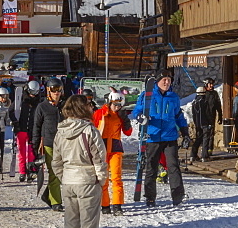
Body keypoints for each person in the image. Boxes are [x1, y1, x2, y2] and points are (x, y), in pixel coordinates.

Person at [52, 94, 109, 228]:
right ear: (82, 108)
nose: (92, 108)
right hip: (87, 181)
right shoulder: (89, 130)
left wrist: (64, 177)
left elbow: (56, 162)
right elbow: (99, 158)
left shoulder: (60, 131)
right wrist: (101, 180)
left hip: (68, 181)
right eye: (89, 105)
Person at [131, 71, 189, 208]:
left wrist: (185, 133)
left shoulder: (173, 97)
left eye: (169, 80)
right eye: (164, 80)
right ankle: (150, 197)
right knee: (151, 167)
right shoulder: (147, 95)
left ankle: (178, 196)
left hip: (170, 136)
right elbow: (136, 111)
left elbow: (179, 116)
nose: (167, 82)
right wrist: (141, 117)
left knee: (173, 166)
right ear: (157, 82)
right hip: (153, 136)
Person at [93, 91, 132, 216]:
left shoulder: (120, 115)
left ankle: (117, 205)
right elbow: (92, 128)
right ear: (109, 102)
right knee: (103, 178)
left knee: (116, 178)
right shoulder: (100, 113)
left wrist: (125, 120)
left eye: (120, 104)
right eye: (115, 104)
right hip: (102, 148)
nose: (117, 107)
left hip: (115, 149)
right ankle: (105, 205)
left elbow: (128, 132)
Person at [32, 78, 66, 211]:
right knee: (54, 173)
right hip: (49, 144)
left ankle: (47, 195)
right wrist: (34, 146)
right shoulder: (42, 107)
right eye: (53, 89)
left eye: (58, 89)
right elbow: (36, 126)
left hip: (64, 144)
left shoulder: (65, 106)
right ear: (48, 91)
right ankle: (56, 202)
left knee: (62, 173)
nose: (56, 92)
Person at [15, 80, 42, 182]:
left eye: (35, 93)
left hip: (32, 130)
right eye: (31, 92)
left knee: (31, 152)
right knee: (22, 152)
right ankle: (22, 172)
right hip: (21, 129)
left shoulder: (38, 103)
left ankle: (31, 171)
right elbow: (12, 111)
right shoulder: (21, 101)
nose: (33, 95)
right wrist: (15, 123)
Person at [198, 77, 223, 161]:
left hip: (212, 116)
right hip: (203, 117)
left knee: (211, 133)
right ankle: (203, 151)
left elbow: (218, 105)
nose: (211, 86)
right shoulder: (203, 93)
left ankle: (209, 149)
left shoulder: (214, 94)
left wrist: (220, 115)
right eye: (210, 84)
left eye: (212, 84)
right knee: (203, 134)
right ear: (206, 84)